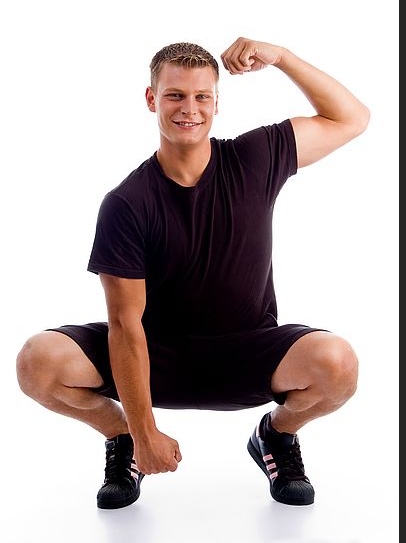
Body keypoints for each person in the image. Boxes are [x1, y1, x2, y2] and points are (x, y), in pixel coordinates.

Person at [16, 37, 370, 510]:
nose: (190, 108)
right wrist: (143, 433)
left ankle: (276, 437)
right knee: (37, 362)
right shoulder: (127, 203)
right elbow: (125, 325)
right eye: (175, 95)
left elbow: (351, 118)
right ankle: (121, 441)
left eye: (202, 96)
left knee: (338, 363)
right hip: (154, 356)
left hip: (246, 350)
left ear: (217, 103)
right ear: (151, 100)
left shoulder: (255, 158)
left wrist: (280, 57)